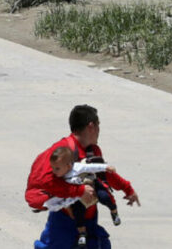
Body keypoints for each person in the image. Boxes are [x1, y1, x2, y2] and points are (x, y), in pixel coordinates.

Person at [26, 105, 140, 249]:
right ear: (91, 126)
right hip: (63, 225)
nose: (99, 131)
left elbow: (102, 174)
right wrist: (78, 191)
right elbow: (43, 182)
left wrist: (127, 189)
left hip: (88, 223)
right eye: (98, 126)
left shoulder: (93, 150)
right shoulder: (62, 150)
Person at [45, 147, 124, 248]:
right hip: (80, 198)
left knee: (105, 197)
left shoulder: (78, 167)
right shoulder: (57, 177)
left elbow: (92, 167)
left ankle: (114, 212)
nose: (54, 171)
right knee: (78, 211)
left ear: (68, 166)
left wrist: (106, 167)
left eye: (57, 168)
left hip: (92, 184)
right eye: (53, 168)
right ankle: (82, 234)